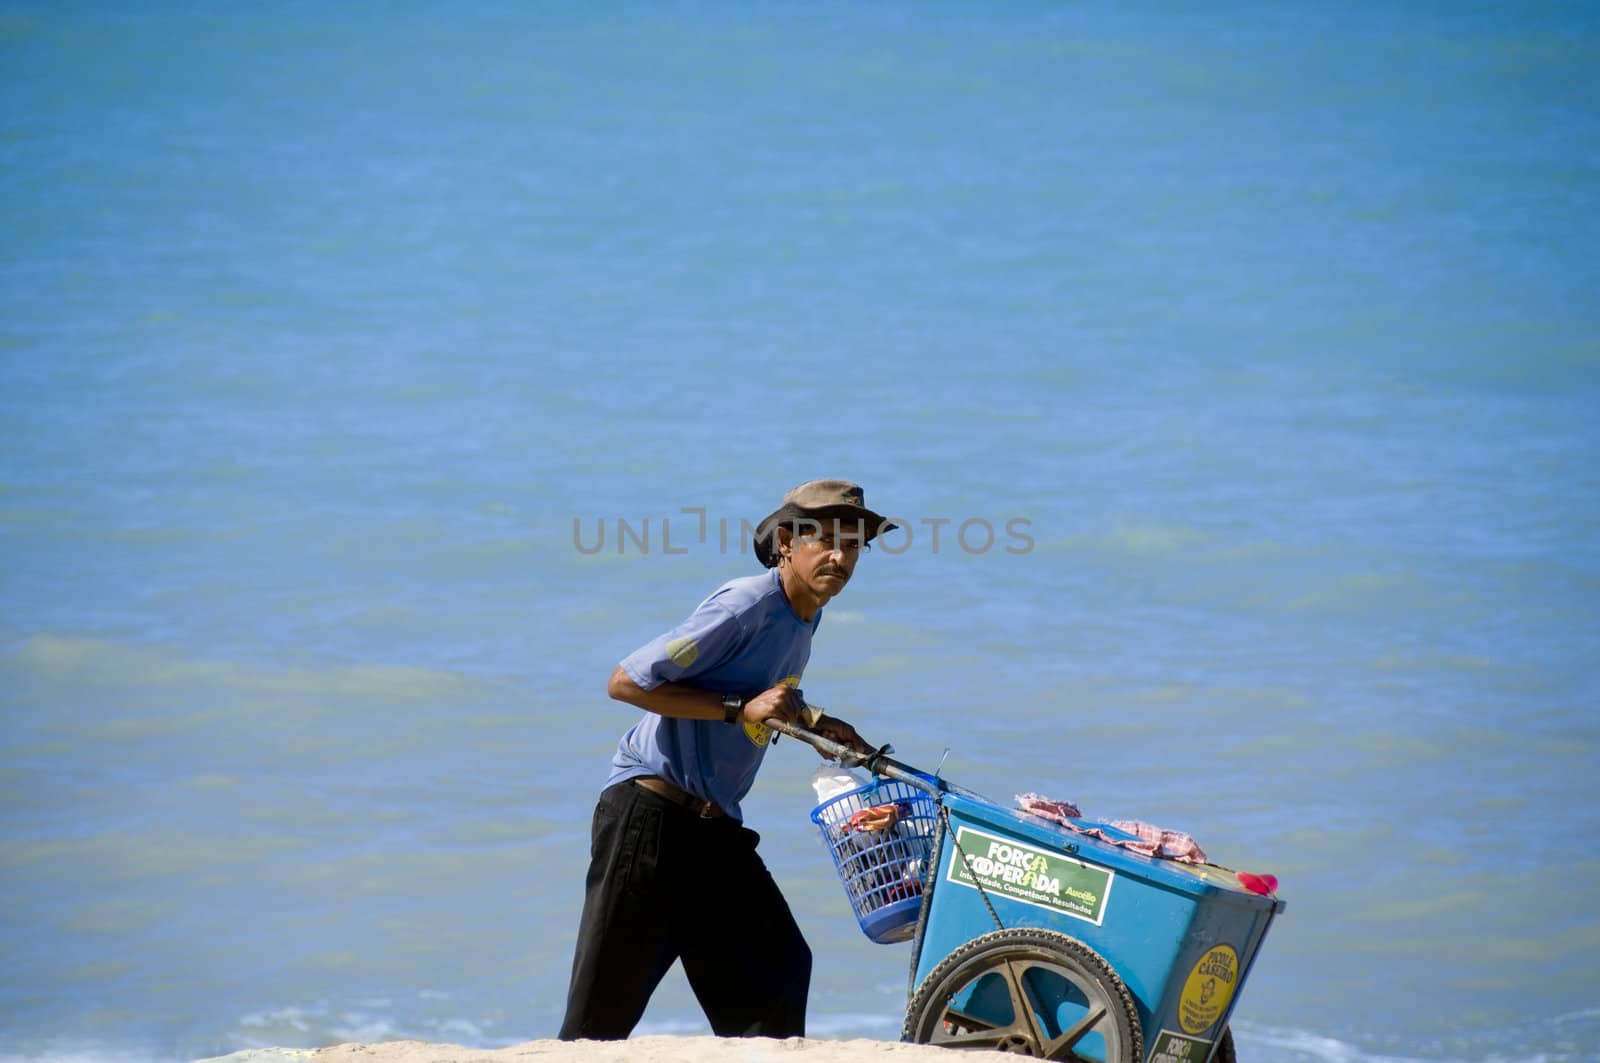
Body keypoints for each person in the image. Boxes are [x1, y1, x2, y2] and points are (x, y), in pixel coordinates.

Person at [557, 479, 896, 1041]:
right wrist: (741, 708)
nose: (840, 557)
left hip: (714, 832)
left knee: (779, 972)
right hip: (650, 819)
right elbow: (628, 682)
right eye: (827, 541)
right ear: (787, 542)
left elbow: (763, 692)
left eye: (854, 546)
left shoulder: (805, 614)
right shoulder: (747, 604)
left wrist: (816, 725)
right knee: (599, 1021)